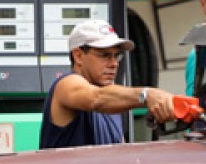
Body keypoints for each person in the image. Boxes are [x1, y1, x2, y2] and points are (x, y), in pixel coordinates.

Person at [40, 19, 176, 149]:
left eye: (116, 56)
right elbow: (96, 98)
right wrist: (147, 95)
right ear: (78, 56)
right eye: (104, 55)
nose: (114, 63)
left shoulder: (112, 101)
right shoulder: (67, 84)